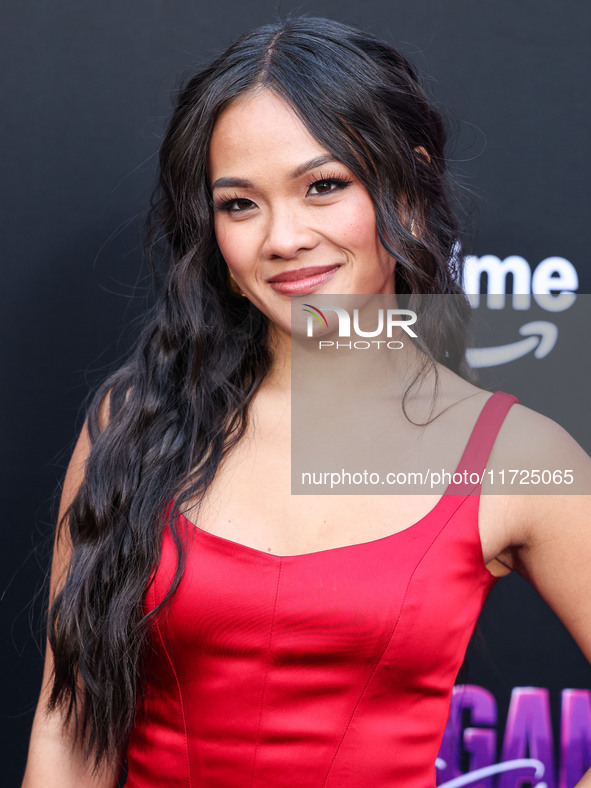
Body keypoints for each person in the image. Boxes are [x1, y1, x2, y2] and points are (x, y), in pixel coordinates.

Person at [22, 15, 591, 788]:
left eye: (323, 186)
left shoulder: (514, 454)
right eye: (239, 204)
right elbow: (70, 724)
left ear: (407, 186)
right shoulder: (139, 422)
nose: (282, 236)